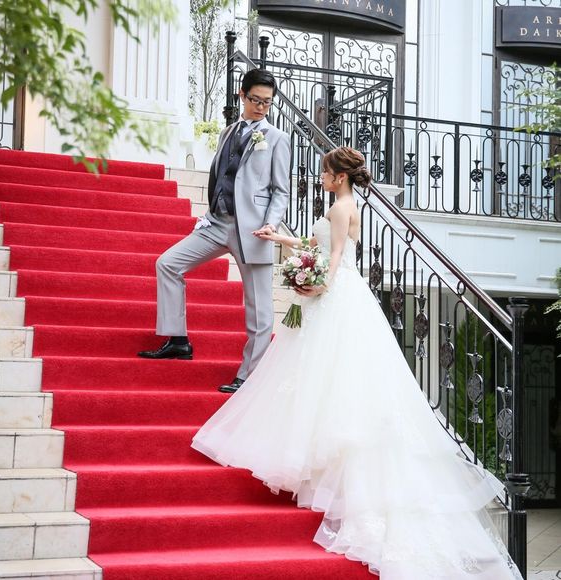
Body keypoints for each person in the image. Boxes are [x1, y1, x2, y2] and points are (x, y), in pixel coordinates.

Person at [192, 147, 523, 579]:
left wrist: (317, 286)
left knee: (329, 376)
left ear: (340, 177)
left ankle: (327, 471)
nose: (322, 177)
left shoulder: (338, 207)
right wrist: (282, 242)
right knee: (332, 378)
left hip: (336, 295)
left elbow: (331, 260)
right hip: (347, 292)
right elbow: (321, 247)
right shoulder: (348, 206)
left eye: (326, 172)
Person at [138, 69, 291, 393]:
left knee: (260, 308)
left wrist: (271, 223)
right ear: (242, 95)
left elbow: (281, 191)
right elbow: (221, 176)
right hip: (217, 223)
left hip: (254, 231)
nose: (261, 107)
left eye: (267, 102)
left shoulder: (276, 138)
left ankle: (249, 375)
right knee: (168, 263)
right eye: (256, 100)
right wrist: (210, 213)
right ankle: (178, 340)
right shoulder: (227, 133)